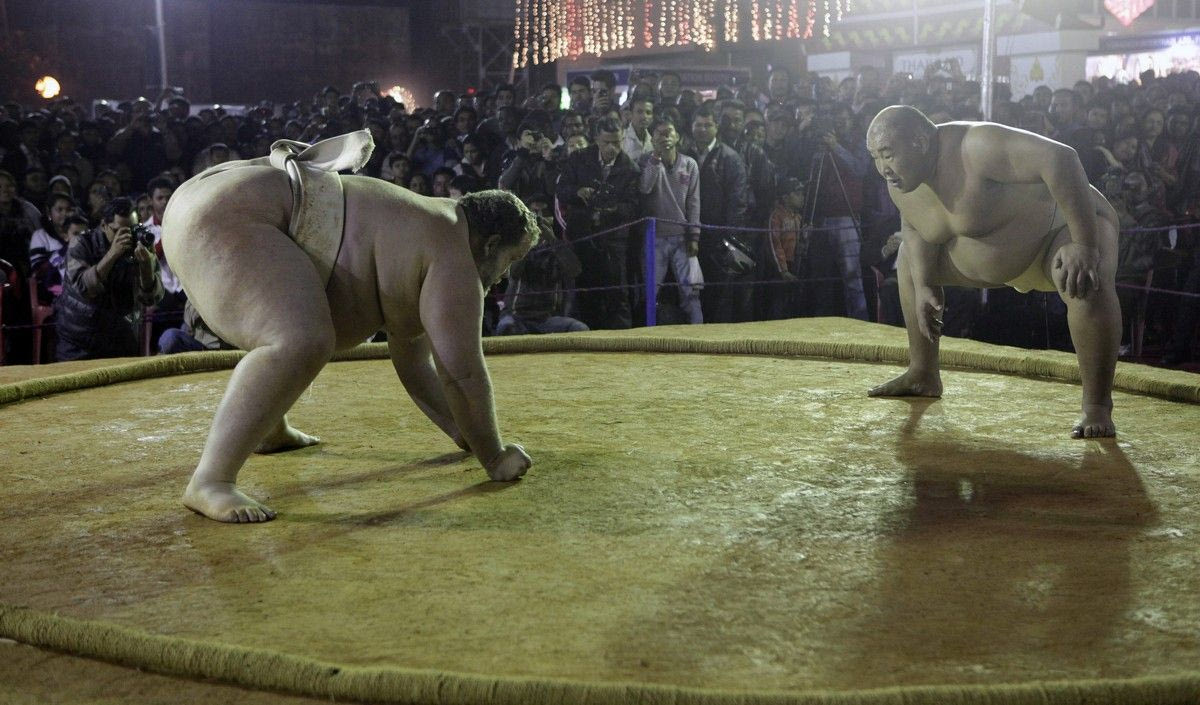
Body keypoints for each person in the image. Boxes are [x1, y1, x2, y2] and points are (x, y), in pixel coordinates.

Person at [161, 132, 538, 523]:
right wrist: (493, 455)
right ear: (491, 243)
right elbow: (461, 375)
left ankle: (269, 428)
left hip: (205, 202)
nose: (504, 276)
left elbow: (415, 364)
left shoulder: (430, 232)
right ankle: (211, 479)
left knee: (290, 321)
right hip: (226, 217)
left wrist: (465, 432)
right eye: (510, 260)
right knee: (299, 339)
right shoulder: (455, 260)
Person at [864, 105, 1121, 438]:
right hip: (995, 263)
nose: (883, 168)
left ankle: (1097, 405)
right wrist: (925, 284)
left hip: (1056, 235)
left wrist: (1084, 244)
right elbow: (914, 227)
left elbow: (1061, 158)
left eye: (888, 155)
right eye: (875, 158)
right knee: (909, 260)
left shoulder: (976, 145)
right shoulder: (901, 183)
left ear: (920, 142)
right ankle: (922, 372)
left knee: (1081, 278)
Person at [55, 196, 164, 361]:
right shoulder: (81, 244)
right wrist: (112, 254)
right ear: (104, 225)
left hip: (121, 339)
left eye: (132, 229)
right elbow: (84, 288)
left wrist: (146, 267)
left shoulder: (140, 245)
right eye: (119, 231)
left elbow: (151, 299)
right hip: (80, 342)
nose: (126, 237)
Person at [639, 117, 703, 324]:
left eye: (669, 132)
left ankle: (699, 334)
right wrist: (656, 158)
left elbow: (694, 202)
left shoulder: (689, 164)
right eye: (659, 133)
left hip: (682, 238)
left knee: (691, 293)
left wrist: (694, 236)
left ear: (677, 136)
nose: (665, 137)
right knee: (650, 293)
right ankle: (648, 336)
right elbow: (644, 187)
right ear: (652, 138)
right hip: (653, 239)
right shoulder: (645, 161)